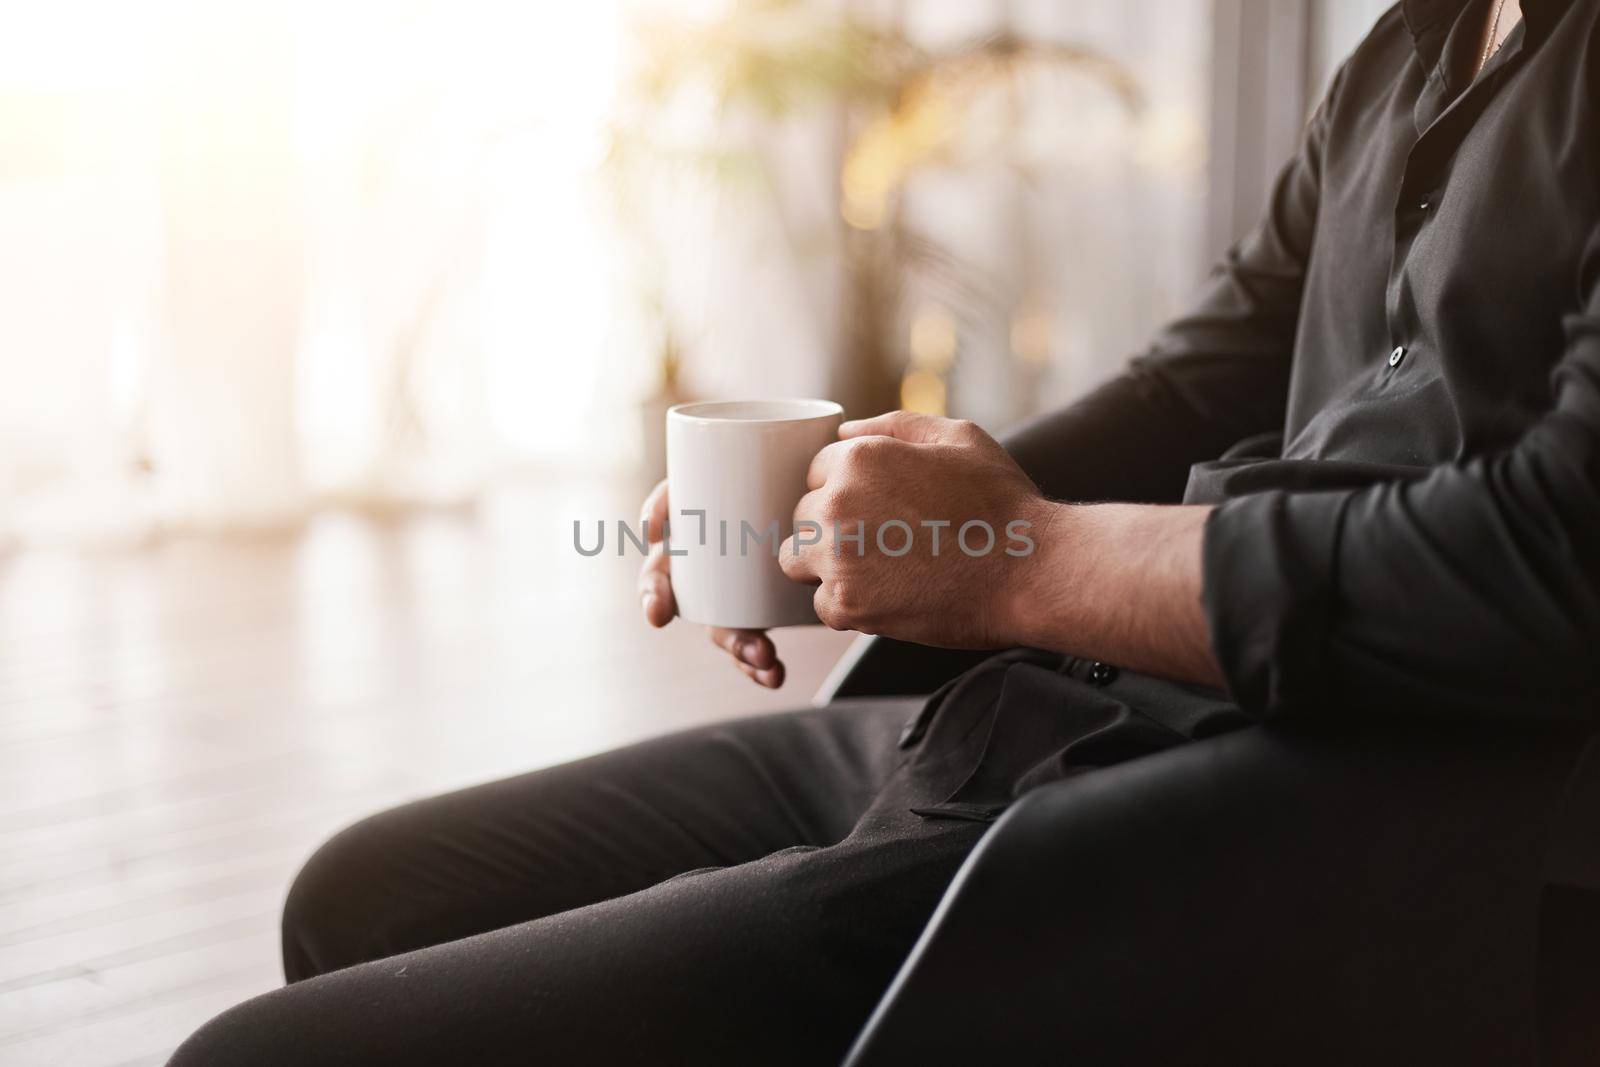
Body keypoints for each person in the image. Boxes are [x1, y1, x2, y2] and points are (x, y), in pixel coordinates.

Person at [171, 0, 1600, 1062]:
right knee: (364, 898)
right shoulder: (1412, 42)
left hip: (1318, 793)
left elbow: (1557, 562)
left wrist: (1017, 559)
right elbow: (1204, 377)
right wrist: (838, 504)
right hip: (1071, 698)